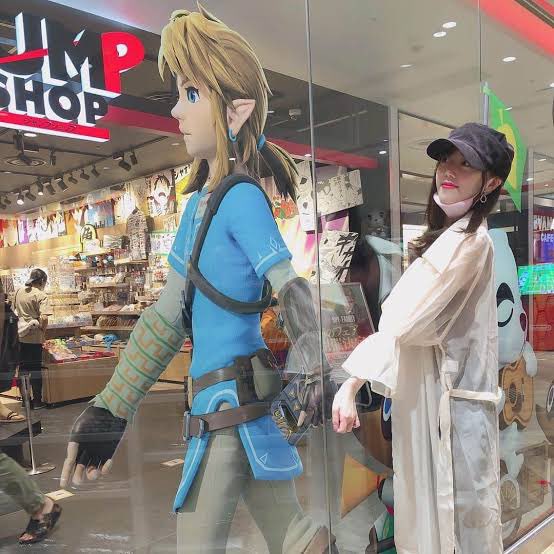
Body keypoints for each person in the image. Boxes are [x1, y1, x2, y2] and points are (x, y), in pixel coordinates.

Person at [60, 6, 336, 553]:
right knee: (296, 538)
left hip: (227, 409)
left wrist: (312, 362)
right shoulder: (199, 208)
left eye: (191, 94)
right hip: (233, 407)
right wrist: (111, 408)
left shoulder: (240, 199)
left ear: (236, 111)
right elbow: (167, 318)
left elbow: (289, 285)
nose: (176, 111)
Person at [332, 122, 514, 554]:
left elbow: (404, 318)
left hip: (454, 415)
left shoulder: (471, 244)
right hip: (435, 408)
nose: (449, 171)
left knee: (460, 527)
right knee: (439, 522)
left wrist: (351, 383)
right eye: (445, 160)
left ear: (490, 183)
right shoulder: (448, 240)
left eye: (465, 164)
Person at [0, 279, 62, 544]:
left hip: (27, 341)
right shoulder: (32, 295)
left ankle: (40, 507)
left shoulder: (18, 294)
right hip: (31, 340)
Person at [14, 268, 51, 409]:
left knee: (23, 369)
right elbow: (44, 317)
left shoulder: (18, 291)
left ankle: (25, 401)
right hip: (34, 337)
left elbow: (14, 311)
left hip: (20, 334)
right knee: (35, 369)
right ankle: (37, 401)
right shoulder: (41, 295)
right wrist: (43, 330)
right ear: (42, 281)